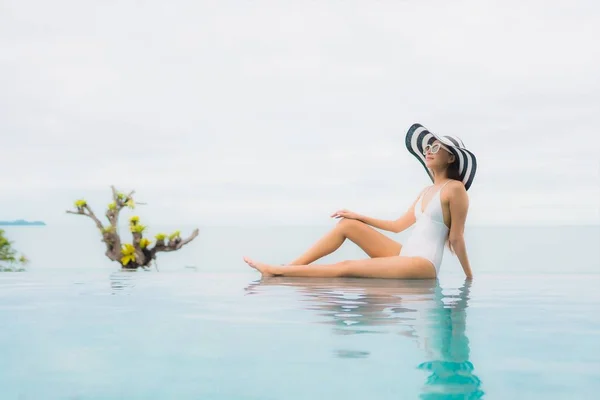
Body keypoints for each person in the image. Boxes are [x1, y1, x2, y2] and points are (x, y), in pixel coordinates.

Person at [243, 123, 477, 279]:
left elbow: (456, 237)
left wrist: (469, 277)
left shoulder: (455, 189)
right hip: (405, 254)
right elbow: (397, 226)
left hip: (423, 264)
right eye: (428, 146)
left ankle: (276, 272)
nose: (429, 150)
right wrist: (358, 216)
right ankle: (291, 267)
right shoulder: (426, 190)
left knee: (346, 268)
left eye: (436, 147)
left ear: (451, 157)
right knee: (347, 225)